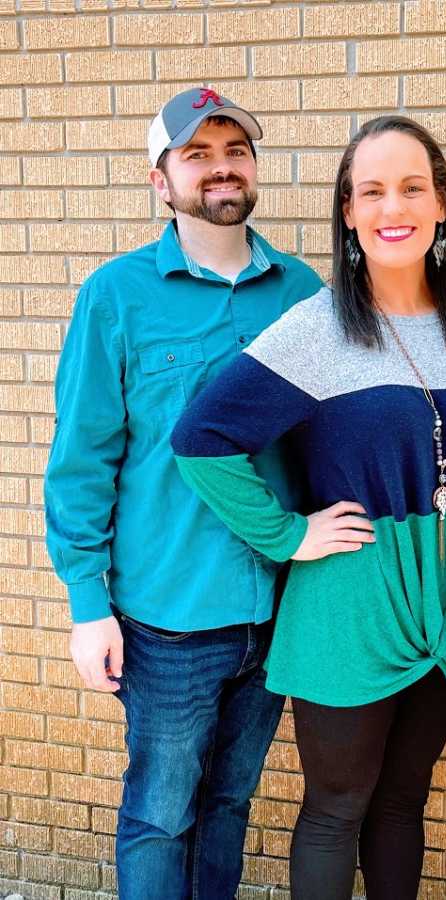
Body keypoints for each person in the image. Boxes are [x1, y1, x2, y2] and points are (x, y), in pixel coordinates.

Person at [170, 114, 446, 900]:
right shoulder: (318, 330)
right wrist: (287, 534)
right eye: (371, 192)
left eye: (411, 187)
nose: (392, 207)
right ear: (349, 215)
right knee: (335, 808)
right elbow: (200, 439)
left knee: (402, 804)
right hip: (349, 613)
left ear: (441, 207)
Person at [44, 87, 322, 899]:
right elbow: (83, 458)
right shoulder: (116, 296)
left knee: (231, 803)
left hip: (275, 610)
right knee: (162, 813)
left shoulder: (302, 292)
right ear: (160, 181)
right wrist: (86, 603)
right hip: (166, 617)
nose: (221, 167)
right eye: (196, 154)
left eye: (235, 151)